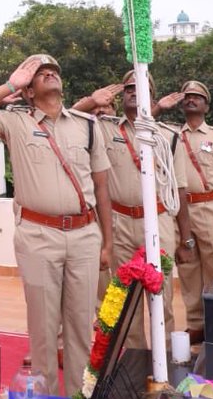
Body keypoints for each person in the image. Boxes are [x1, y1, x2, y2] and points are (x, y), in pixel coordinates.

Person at [0, 54, 112, 396]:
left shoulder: (87, 125)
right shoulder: (16, 123)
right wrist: (10, 85)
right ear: (29, 92)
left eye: (53, 71)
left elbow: (102, 187)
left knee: (80, 325)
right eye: (39, 74)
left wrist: (107, 242)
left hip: (85, 234)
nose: (48, 75)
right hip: (38, 235)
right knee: (43, 328)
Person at [73, 72, 193, 346]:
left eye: (140, 88)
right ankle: (133, 361)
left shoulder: (168, 137)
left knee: (161, 298)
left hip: (159, 221)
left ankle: (162, 363)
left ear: (151, 96)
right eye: (128, 88)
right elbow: (69, 118)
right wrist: (92, 101)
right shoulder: (106, 129)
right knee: (126, 299)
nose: (133, 92)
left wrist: (186, 239)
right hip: (120, 223)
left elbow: (181, 190)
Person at [172, 79, 213, 346]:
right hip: (182, 210)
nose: (191, 99)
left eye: (197, 96)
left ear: (206, 106)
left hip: (212, 209)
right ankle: (196, 324)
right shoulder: (173, 136)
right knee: (187, 270)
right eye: (187, 96)